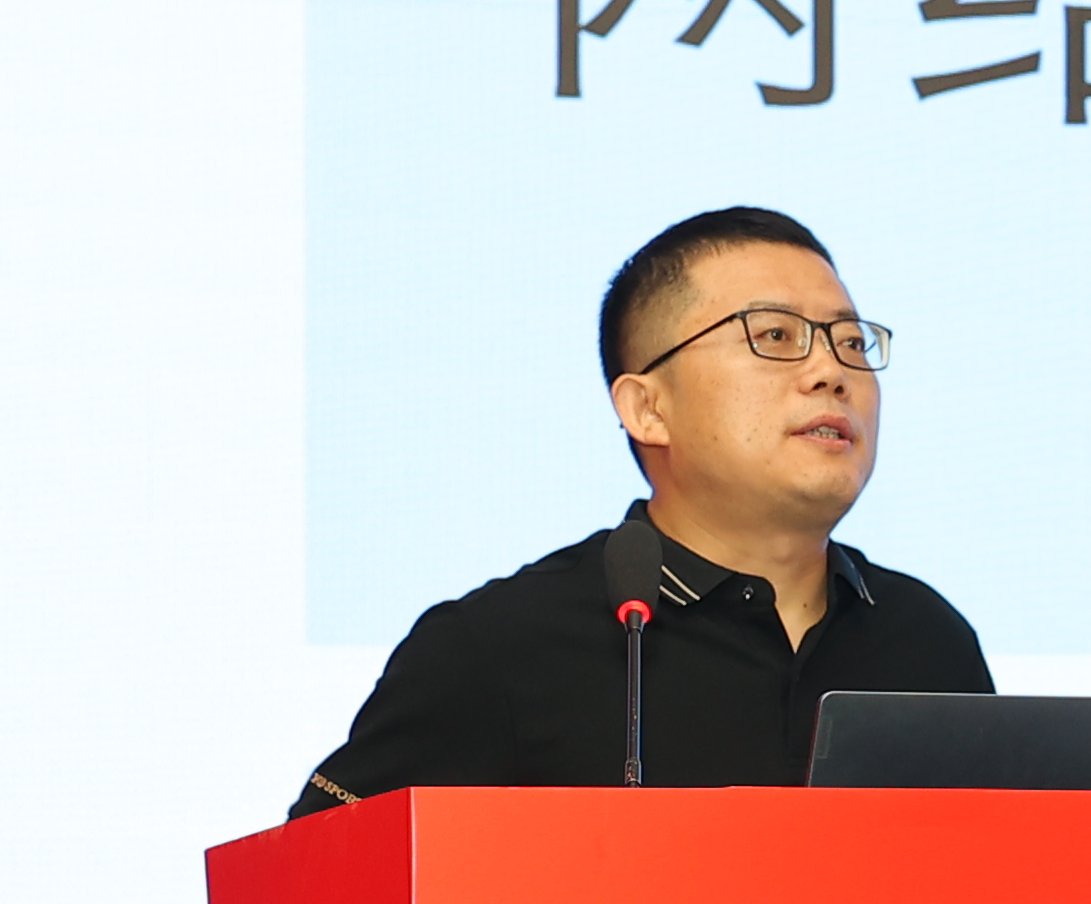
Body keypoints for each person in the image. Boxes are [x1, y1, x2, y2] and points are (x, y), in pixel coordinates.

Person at [292, 205, 993, 813]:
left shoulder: (926, 643)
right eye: (776, 336)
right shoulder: (498, 649)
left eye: (852, 342)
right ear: (647, 408)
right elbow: (317, 891)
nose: (832, 373)